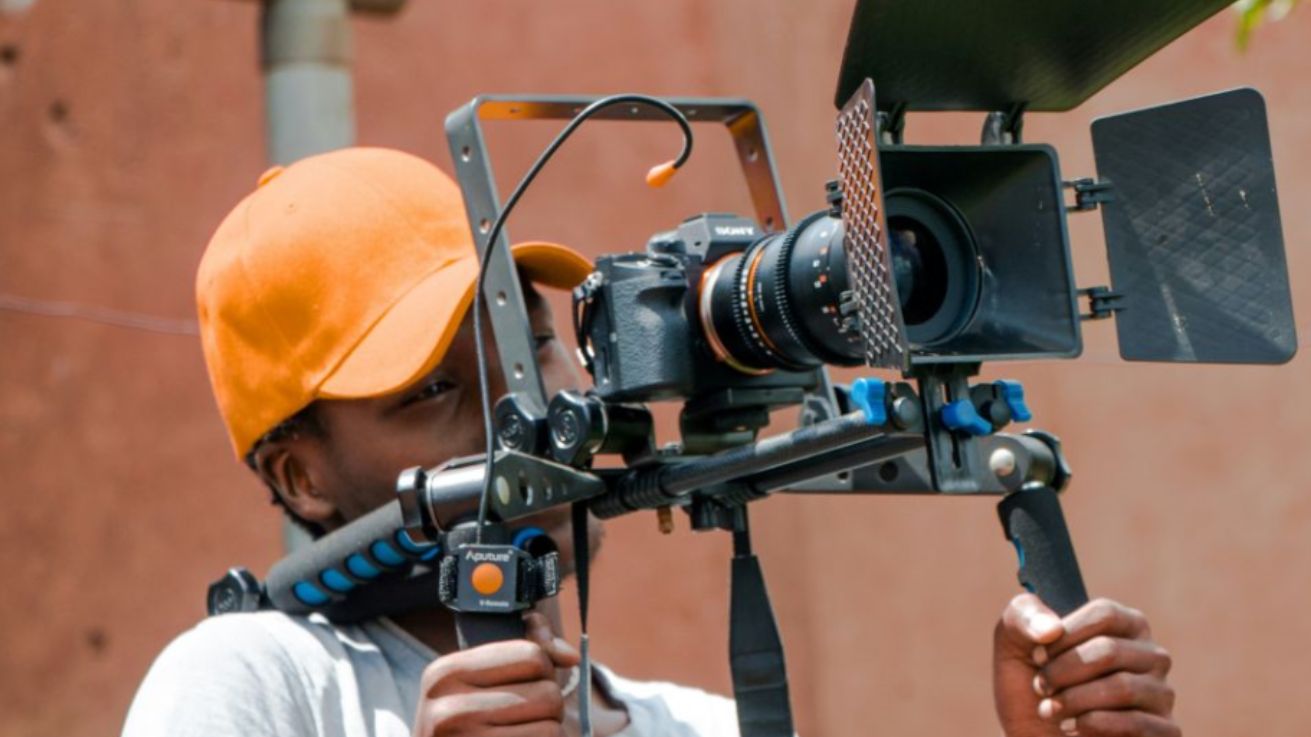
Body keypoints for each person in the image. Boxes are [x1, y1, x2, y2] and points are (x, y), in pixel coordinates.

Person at [121, 147, 1179, 737]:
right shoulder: (258, 679)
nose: (526, 407)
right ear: (301, 474)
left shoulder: (696, 725)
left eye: (530, 344)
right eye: (435, 389)